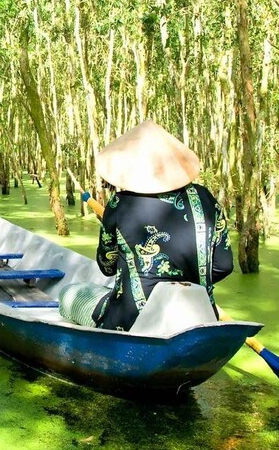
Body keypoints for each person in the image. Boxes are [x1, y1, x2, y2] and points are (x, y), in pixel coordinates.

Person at [59, 120, 233, 331]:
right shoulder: (205, 199)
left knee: (68, 293)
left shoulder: (119, 204)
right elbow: (224, 266)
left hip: (131, 321)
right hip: (200, 319)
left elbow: (107, 266)